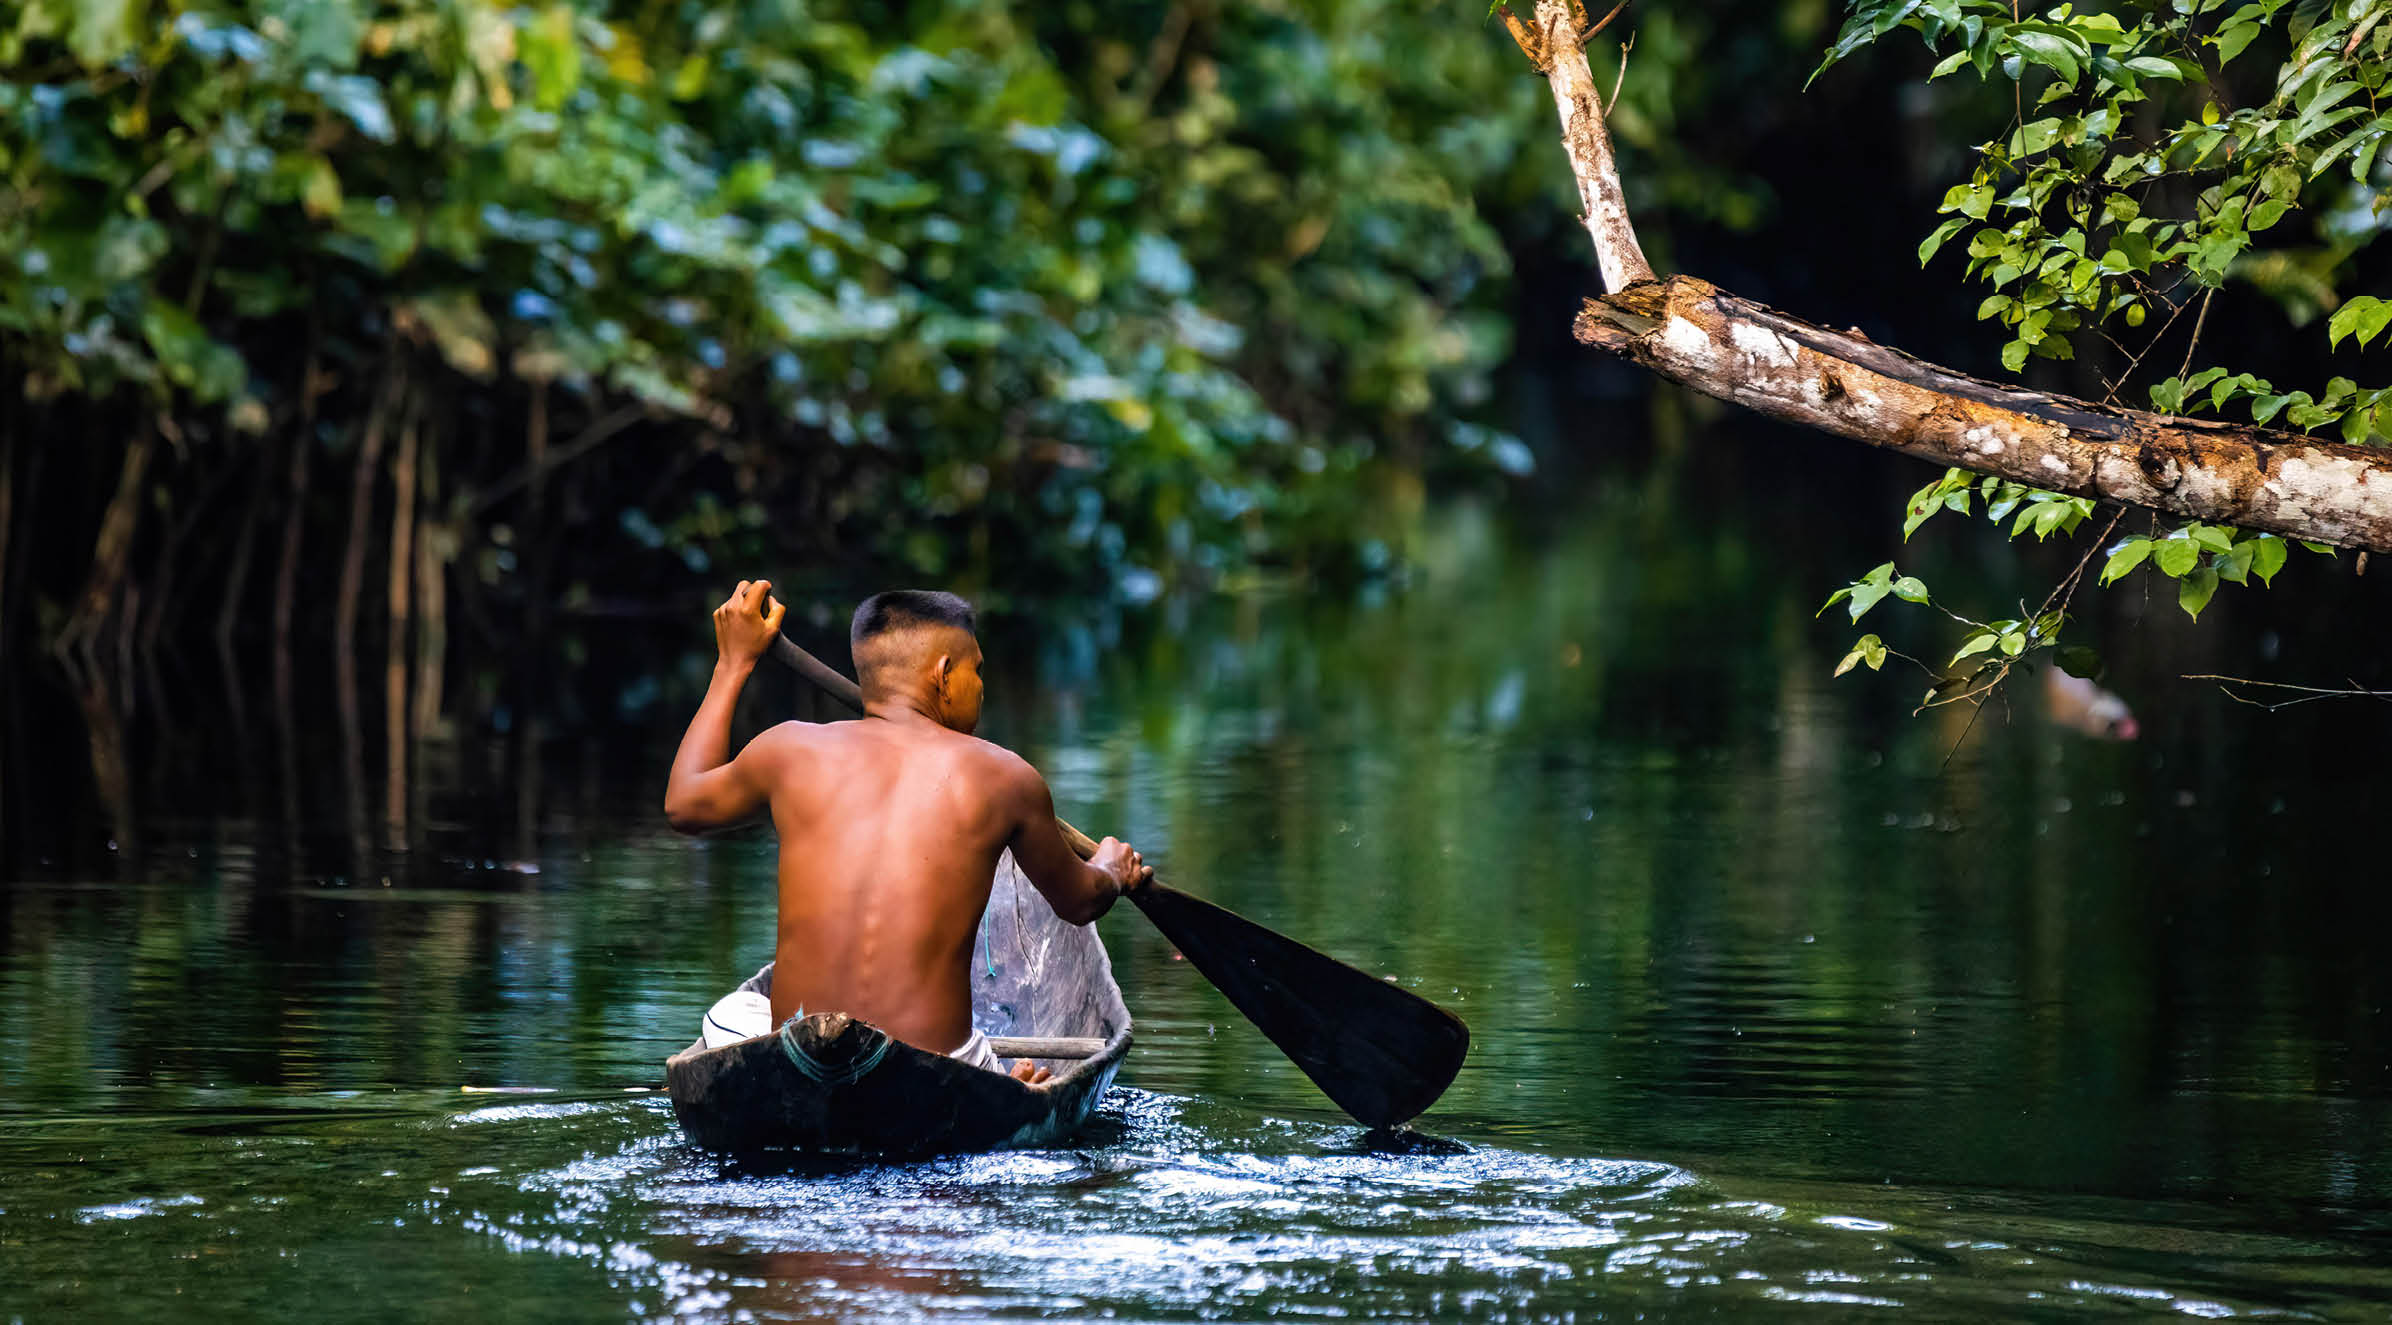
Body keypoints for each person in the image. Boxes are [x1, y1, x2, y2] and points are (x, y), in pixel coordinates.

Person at [662, 581, 1153, 1082]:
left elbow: (684, 805)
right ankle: (1001, 1083)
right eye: (976, 670)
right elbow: (1078, 902)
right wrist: (1111, 870)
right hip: (936, 1070)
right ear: (943, 675)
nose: (981, 685)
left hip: (798, 1057)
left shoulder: (788, 749)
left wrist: (733, 664)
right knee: (982, 1064)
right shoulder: (1006, 778)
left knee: (735, 1015)